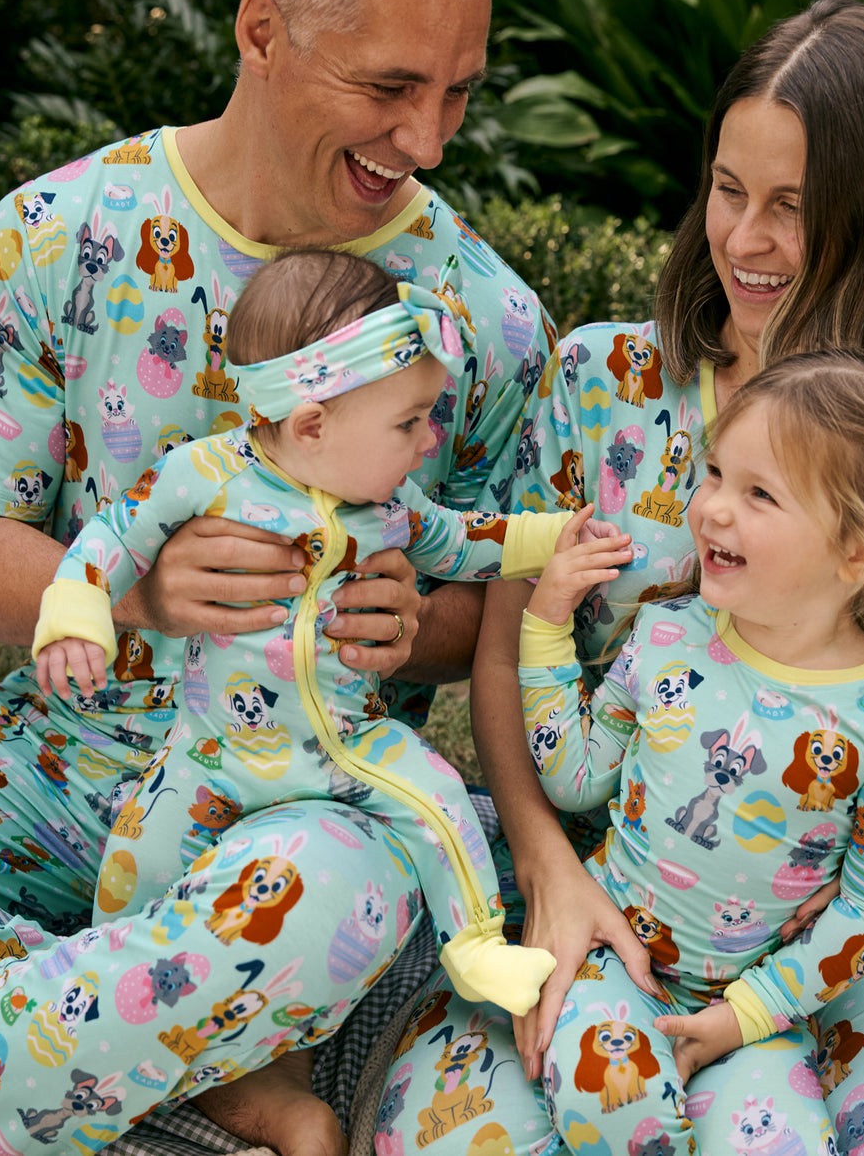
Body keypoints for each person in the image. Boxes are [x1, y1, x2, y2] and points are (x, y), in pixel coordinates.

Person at [0, 0, 552, 1151]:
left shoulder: (489, 321)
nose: (428, 141)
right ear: (260, 28)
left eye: (458, 91)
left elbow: (499, 611)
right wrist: (136, 592)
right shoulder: (52, 237)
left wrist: (418, 619)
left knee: (345, 891)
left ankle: (74, 1046)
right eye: (392, 85)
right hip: (49, 781)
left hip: (299, 835)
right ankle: (187, 1060)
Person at [380, 0, 864, 1154]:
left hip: (822, 962)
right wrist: (552, 869)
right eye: (727, 189)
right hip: (586, 887)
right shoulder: (602, 382)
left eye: (793, 209)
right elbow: (509, 645)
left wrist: (766, 983)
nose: (743, 239)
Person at [32, 246, 583, 1021]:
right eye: (409, 421)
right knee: (139, 853)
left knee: (443, 806)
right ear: (313, 424)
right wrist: (77, 613)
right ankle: (112, 978)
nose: (429, 441)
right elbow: (115, 537)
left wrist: (560, 536)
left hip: (346, 748)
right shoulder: (205, 476)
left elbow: (467, 542)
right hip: (211, 749)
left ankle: (479, 949)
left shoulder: (394, 509)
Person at [521, 350, 864, 1150]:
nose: (713, 509)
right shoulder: (664, 637)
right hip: (613, 962)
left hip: (761, 1007)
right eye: (717, 472)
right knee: (610, 1103)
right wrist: (545, 624)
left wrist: (743, 1019)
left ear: (859, 551)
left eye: (759, 493)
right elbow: (575, 775)